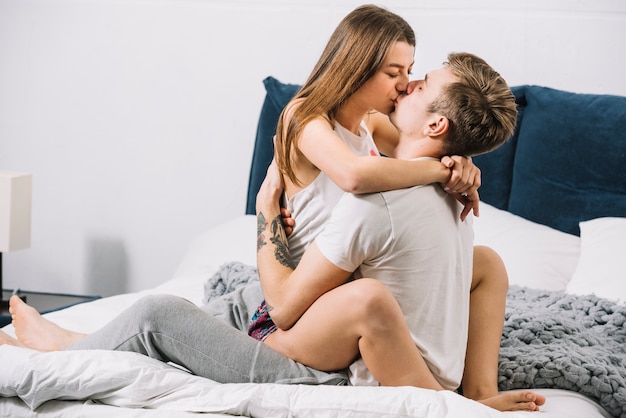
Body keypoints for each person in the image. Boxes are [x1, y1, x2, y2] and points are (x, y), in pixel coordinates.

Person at [2, 5, 542, 412]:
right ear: (357, 67)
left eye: (414, 74)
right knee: (185, 317)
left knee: (177, 321)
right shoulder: (305, 118)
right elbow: (360, 174)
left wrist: (460, 162)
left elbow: (401, 151)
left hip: (312, 295)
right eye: (397, 73)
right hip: (302, 285)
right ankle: (67, 344)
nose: (406, 85)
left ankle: (70, 342)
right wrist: (440, 166)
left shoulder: (375, 129)